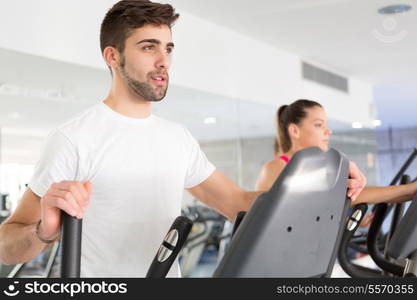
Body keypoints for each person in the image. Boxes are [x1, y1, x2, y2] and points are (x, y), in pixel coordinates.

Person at [0, 1, 365, 278]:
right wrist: (44, 232)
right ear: (112, 56)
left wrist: (324, 188)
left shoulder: (177, 137)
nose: (164, 61)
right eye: (148, 47)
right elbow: (7, 246)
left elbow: (238, 203)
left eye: (168, 48)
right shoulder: (73, 138)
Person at [255, 99, 417, 206]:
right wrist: (407, 190)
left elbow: (332, 202)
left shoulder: (319, 168)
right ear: (294, 131)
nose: (328, 131)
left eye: (326, 125)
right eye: (319, 125)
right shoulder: (275, 167)